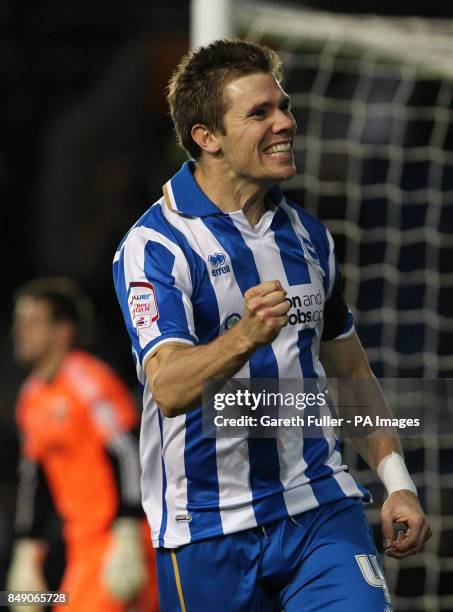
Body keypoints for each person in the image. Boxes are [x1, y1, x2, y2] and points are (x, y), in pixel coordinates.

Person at [113, 39, 431, 611]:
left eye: (283, 107)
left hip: (319, 511)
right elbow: (168, 386)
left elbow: (349, 369)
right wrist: (244, 337)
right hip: (207, 529)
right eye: (259, 113)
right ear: (206, 137)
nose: (285, 123)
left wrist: (398, 482)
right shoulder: (155, 246)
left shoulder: (311, 238)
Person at [7, 277, 158, 612]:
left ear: (64, 331)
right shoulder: (31, 397)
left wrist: (128, 529)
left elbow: (129, 453)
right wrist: (26, 549)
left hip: (117, 542)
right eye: (19, 322)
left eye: (32, 322)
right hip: (80, 547)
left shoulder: (89, 381)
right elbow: (35, 478)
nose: (20, 331)